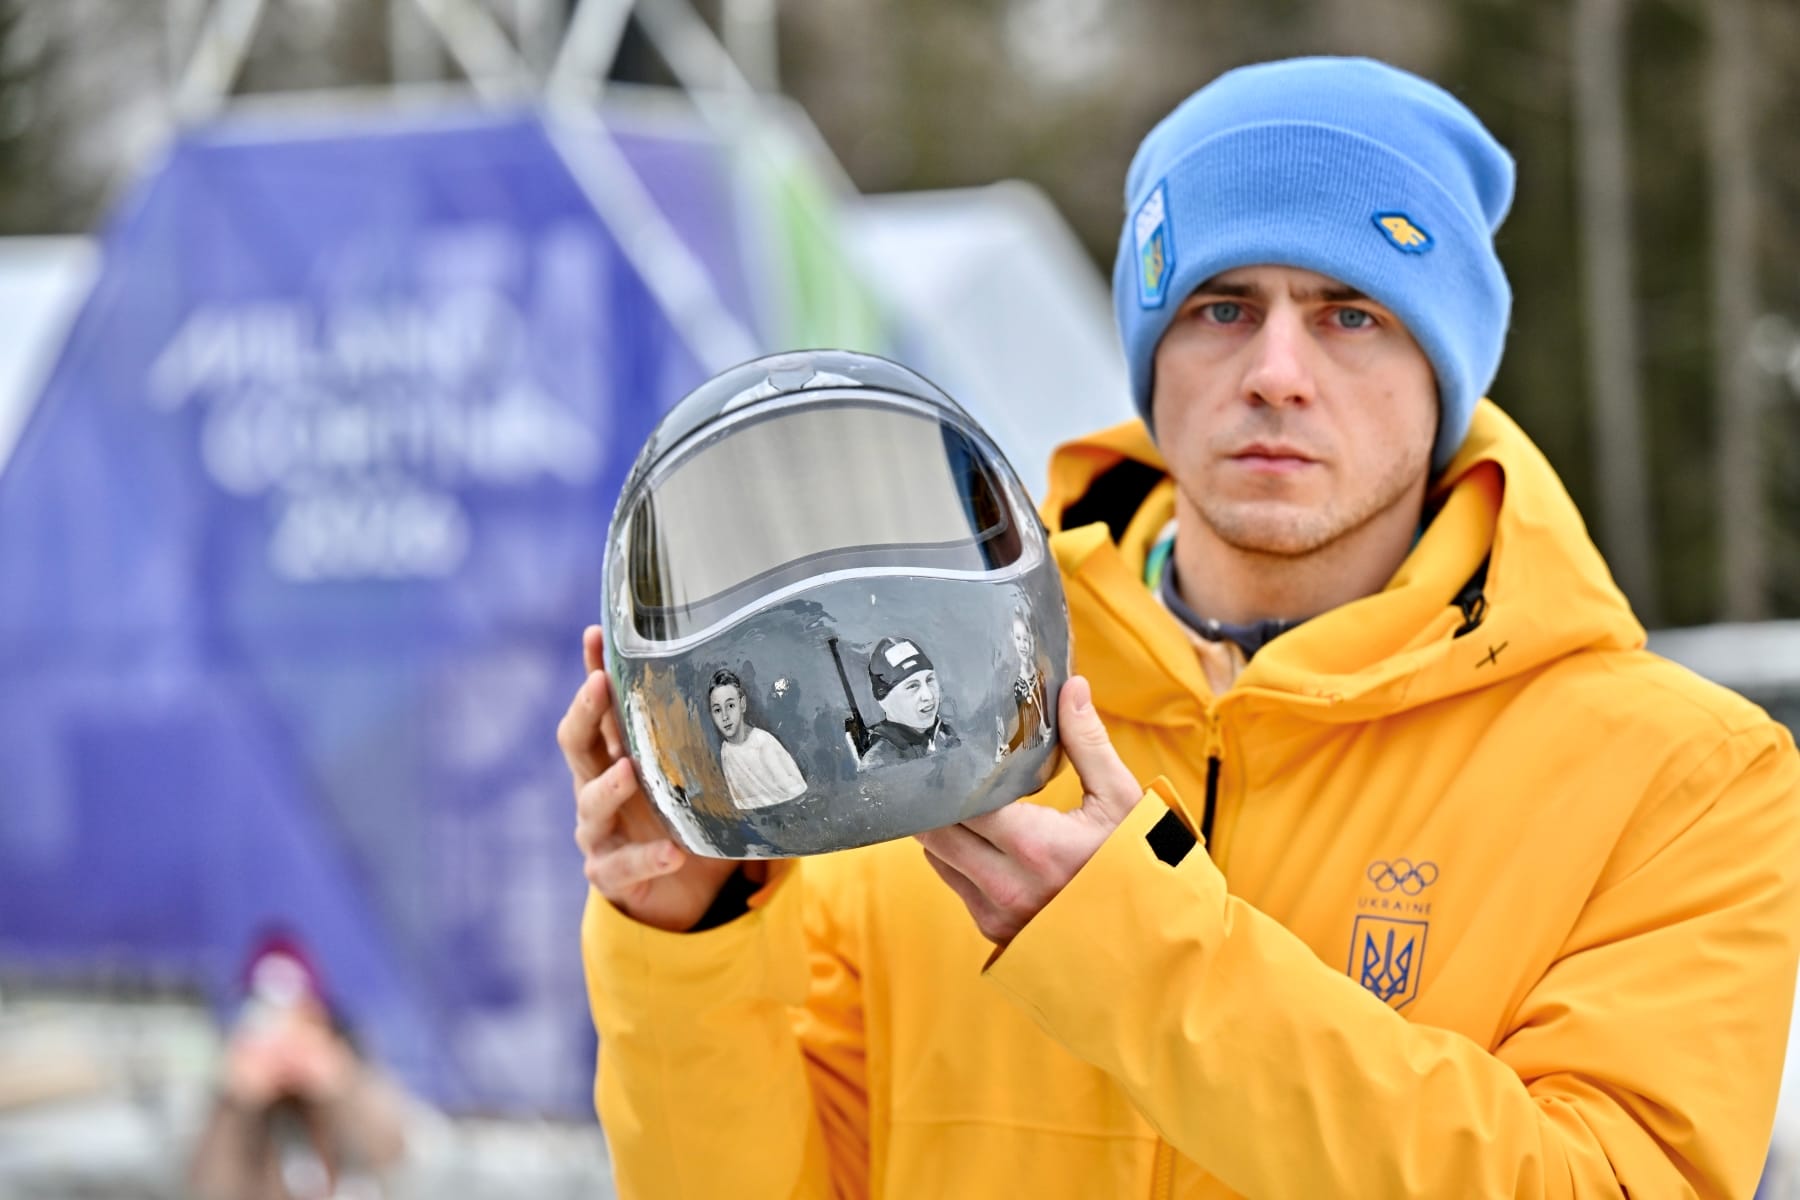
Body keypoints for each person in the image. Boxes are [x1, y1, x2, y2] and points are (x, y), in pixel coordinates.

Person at [562, 56, 1800, 1198]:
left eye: (1350, 312)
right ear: (1151, 352)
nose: (1274, 369)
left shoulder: (1683, 778)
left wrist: (1134, 949)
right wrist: (688, 937)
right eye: (1219, 306)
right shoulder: (935, 716)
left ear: (1446, 367)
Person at [188, 934, 409, 1200]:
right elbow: (211, 1187)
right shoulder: (231, 1097)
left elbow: (391, 1152)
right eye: (268, 1023)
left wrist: (338, 1085)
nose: (284, 1042)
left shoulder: (349, 1073)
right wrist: (238, 1103)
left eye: (299, 1021)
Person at [707, 668, 809, 808]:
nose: (725, 716)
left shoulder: (763, 743)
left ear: (742, 705)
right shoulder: (726, 750)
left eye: (730, 705)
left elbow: (796, 790)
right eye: (717, 710)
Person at [858, 636, 960, 767]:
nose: (928, 696)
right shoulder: (880, 762)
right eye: (912, 686)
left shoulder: (946, 736)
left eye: (929, 680)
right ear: (884, 699)